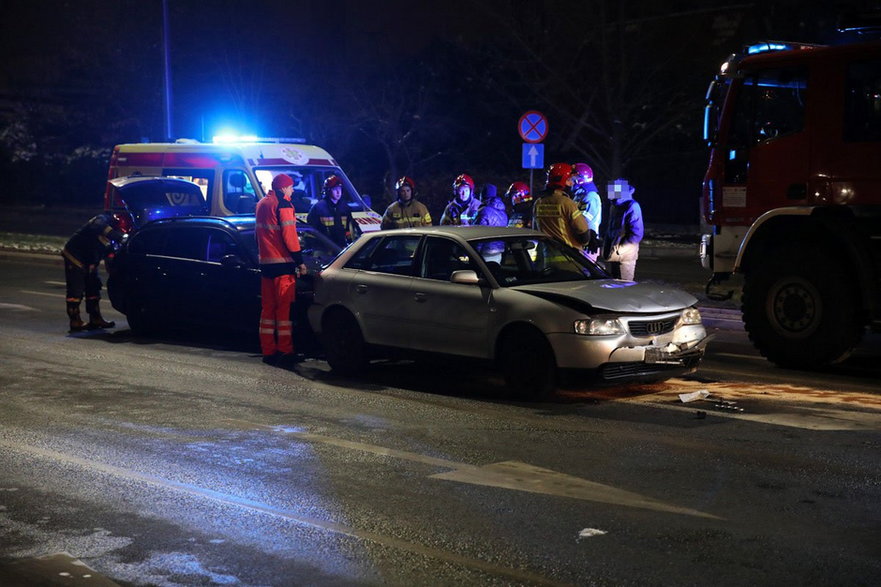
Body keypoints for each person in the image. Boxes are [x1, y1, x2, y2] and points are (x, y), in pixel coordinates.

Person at [255, 173, 309, 366]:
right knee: (284, 311)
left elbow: (258, 235)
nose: (292, 190)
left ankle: (268, 351)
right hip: (283, 265)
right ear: (284, 188)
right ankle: (285, 351)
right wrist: (300, 261)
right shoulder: (283, 204)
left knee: (267, 311)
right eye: (291, 187)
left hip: (266, 264)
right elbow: (290, 236)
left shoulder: (262, 204)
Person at [62, 212, 129, 332]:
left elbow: (109, 252)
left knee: (93, 287)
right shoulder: (103, 219)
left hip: (91, 258)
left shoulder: (114, 231)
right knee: (76, 289)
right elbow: (98, 226)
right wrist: (119, 237)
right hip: (76, 255)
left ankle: (96, 318)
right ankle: (75, 321)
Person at [532, 163, 591, 249]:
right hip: (569, 257)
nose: (572, 183)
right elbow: (583, 233)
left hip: (547, 255)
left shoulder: (538, 203)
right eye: (569, 180)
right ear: (562, 181)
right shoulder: (566, 203)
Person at [603, 178, 644, 281]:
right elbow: (611, 228)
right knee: (615, 284)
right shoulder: (614, 206)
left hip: (625, 256)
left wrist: (620, 249)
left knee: (624, 286)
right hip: (615, 252)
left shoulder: (632, 206)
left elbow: (636, 234)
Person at [307, 175, 353, 248]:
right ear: (327, 191)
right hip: (323, 248)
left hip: (341, 248)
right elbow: (311, 231)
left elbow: (349, 229)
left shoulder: (345, 208)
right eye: (335, 189)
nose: (338, 192)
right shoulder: (318, 208)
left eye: (340, 189)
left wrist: (350, 243)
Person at [569, 162, 603, 261]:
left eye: (573, 176)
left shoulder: (590, 196)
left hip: (588, 242)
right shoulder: (579, 195)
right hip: (580, 240)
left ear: (581, 179)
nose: (571, 179)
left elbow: (582, 220)